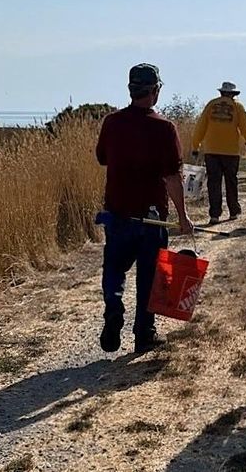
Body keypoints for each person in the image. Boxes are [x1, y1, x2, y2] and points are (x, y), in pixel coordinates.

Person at [96, 63, 195, 354]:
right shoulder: (164, 127)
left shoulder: (111, 123)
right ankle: (144, 333)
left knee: (114, 268)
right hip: (152, 219)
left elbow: (102, 158)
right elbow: (173, 177)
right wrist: (183, 216)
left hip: (117, 212)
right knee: (149, 277)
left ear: (131, 89)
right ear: (154, 91)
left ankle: (113, 306)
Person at [192, 81, 246, 226]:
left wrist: (196, 145)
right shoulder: (238, 106)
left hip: (211, 150)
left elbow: (201, 125)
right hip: (230, 151)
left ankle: (214, 215)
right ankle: (233, 211)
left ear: (221, 93)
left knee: (214, 182)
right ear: (233, 94)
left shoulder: (211, 105)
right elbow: (244, 125)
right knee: (231, 181)